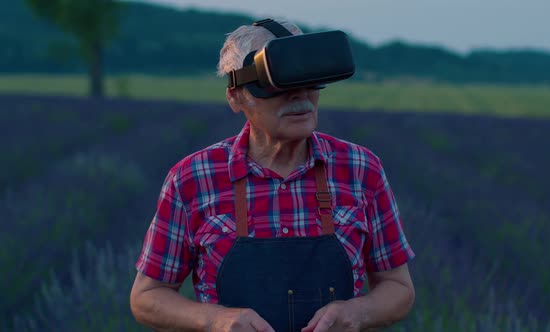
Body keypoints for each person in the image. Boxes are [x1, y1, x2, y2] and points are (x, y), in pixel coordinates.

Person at [130, 18, 415, 332]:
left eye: (309, 79)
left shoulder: (361, 170)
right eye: (277, 84)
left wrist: (358, 312)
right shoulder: (193, 179)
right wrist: (215, 320)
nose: (300, 95)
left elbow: (398, 288)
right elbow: (147, 297)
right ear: (236, 96)